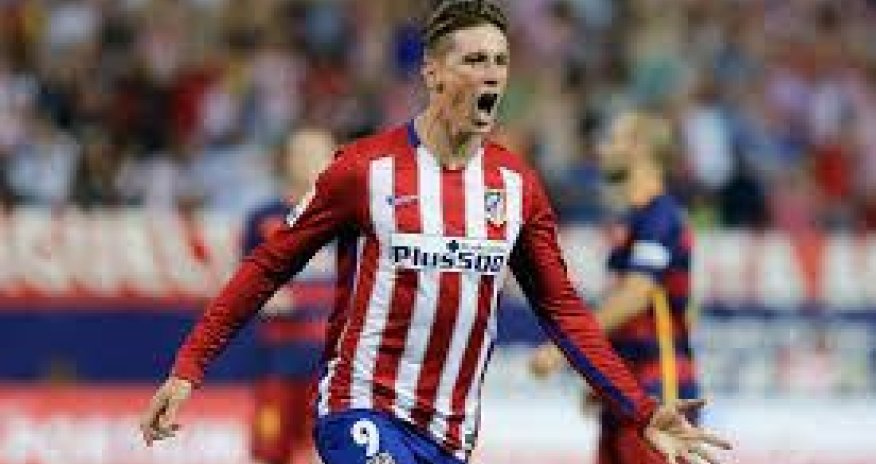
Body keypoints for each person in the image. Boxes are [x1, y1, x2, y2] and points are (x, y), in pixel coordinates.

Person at [140, 2, 730, 464]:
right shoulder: (363, 170)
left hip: (450, 433)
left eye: (500, 61)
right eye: (474, 60)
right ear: (433, 72)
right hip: (360, 408)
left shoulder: (517, 186)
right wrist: (189, 367)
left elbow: (563, 310)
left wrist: (640, 410)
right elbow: (267, 266)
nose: (491, 74)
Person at [531, 111, 702, 464]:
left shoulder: (662, 217)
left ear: (639, 148)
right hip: (627, 391)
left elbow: (636, 295)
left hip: (659, 389)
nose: (602, 149)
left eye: (613, 140)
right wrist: (605, 378)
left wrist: (568, 346)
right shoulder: (634, 221)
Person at [243, 129, 336, 464]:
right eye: (302, 153)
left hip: (332, 362)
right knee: (269, 452)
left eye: (319, 153)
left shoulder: (350, 216)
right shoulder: (263, 219)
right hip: (278, 359)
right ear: (287, 160)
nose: (310, 162)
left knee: (326, 452)